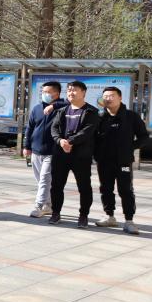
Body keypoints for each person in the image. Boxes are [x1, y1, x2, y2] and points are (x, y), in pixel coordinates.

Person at [94, 86, 148, 234]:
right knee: (105, 188)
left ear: (120, 98)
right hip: (104, 161)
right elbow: (93, 138)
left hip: (123, 161)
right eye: (105, 96)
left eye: (112, 96)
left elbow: (144, 137)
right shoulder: (99, 117)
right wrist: (95, 154)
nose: (108, 99)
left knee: (125, 190)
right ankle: (109, 216)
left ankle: (129, 221)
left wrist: (130, 147)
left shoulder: (131, 116)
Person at [48, 80, 99, 228]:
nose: (71, 92)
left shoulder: (91, 111)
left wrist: (69, 142)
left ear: (84, 92)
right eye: (69, 90)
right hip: (60, 155)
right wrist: (60, 142)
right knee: (56, 186)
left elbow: (87, 131)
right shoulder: (62, 110)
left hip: (81, 156)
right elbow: (54, 129)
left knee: (84, 187)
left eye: (75, 90)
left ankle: (83, 216)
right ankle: (55, 213)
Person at [22, 81, 68, 218]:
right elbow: (30, 128)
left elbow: (70, 103)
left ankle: (39, 205)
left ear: (57, 93)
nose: (44, 94)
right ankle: (48, 205)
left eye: (48, 92)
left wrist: (53, 106)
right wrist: (27, 146)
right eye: (43, 92)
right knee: (40, 180)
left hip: (53, 152)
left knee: (44, 179)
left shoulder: (63, 108)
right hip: (36, 151)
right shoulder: (37, 108)